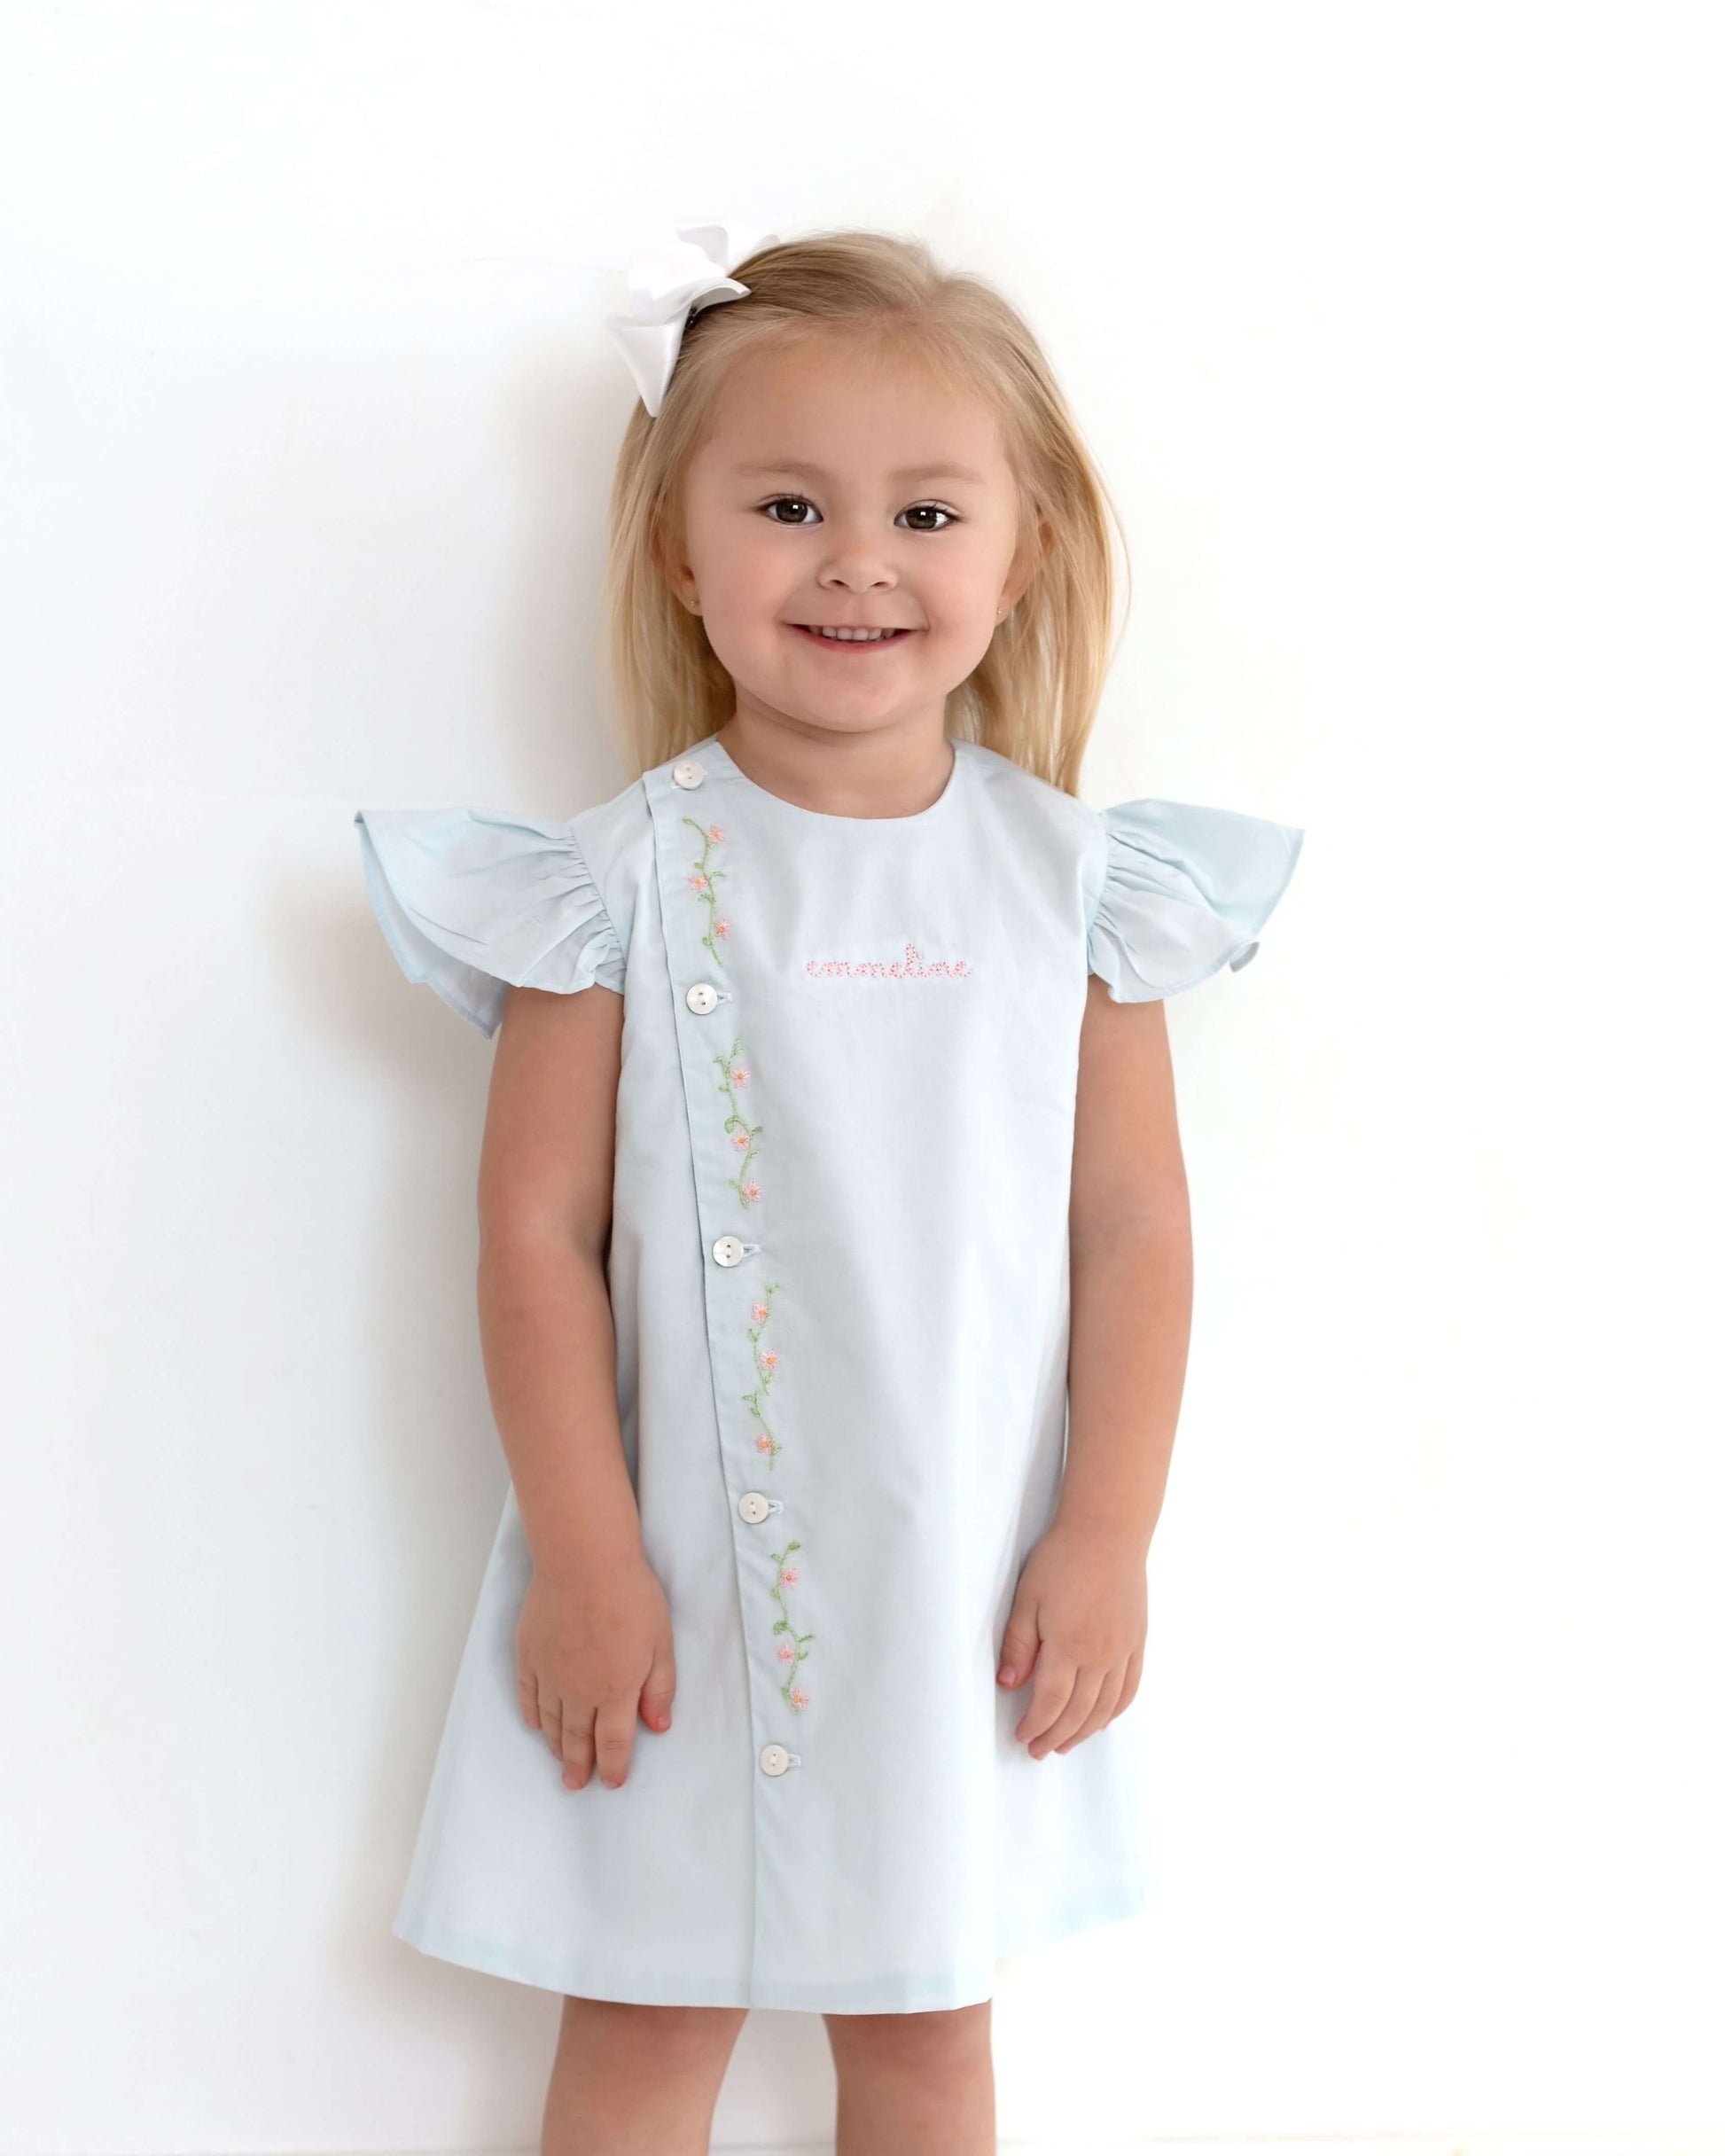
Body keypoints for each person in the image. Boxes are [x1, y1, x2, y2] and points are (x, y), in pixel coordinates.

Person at [354, 221, 1304, 2156]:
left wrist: (1106, 1533)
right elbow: (534, 1235)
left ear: (1019, 550)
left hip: (961, 1579)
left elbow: (1133, 1230)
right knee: (637, 2031)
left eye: (926, 510)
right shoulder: (606, 885)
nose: (858, 559)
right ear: (679, 556)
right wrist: (589, 1557)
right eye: (789, 504)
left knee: (928, 2046)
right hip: (664, 1581)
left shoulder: (1075, 890)